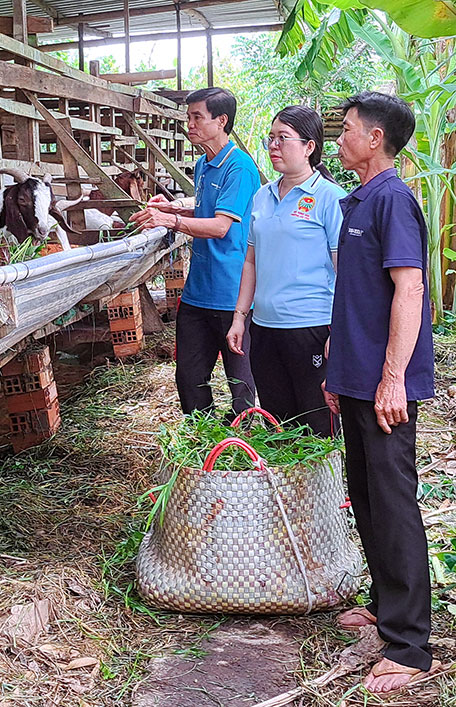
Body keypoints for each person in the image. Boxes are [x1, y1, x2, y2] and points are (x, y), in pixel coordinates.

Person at [322, 92, 439, 694]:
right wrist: (339, 375)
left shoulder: (392, 199)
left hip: (386, 385)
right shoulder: (358, 200)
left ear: (374, 140)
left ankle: (411, 645)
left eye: (345, 130)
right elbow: (355, 301)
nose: (338, 138)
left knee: (393, 503)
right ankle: (382, 599)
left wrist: (392, 377)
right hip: (359, 379)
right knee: (365, 497)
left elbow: (409, 291)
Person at [131, 87, 260, 418]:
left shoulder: (240, 168)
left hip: (232, 295)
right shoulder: (204, 163)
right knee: (188, 377)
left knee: (241, 383)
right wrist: (172, 209)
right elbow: (205, 213)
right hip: (198, 293)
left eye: (196, 117)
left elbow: (220, 227)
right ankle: (203, 439)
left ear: (221, 121)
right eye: (188, 117)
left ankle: (243, 444)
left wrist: (170, 220)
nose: (189, 124)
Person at [225, 106, 345, 436]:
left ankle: (324, 488)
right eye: (271, 138)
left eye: (283, 138)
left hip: (312, 328)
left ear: (310, 146)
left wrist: (340, 331)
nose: (274, 145)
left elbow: (345, 271)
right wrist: (240, 318)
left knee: (318, 425)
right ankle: (286, 487)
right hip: (264, 329)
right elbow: (250, 261)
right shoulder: (262, 197)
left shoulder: (330, 198)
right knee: (279, 424)